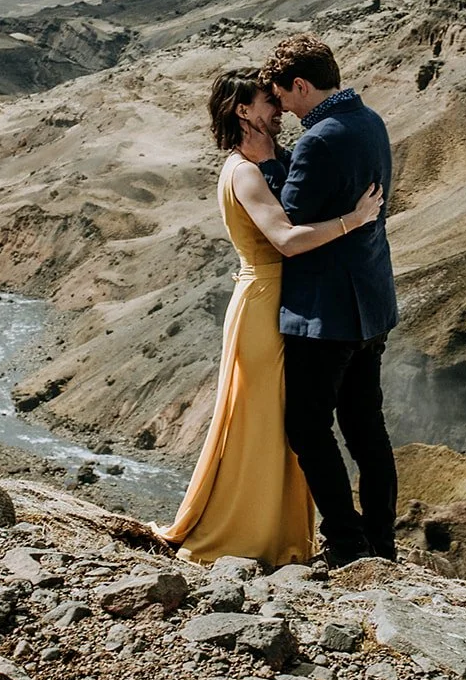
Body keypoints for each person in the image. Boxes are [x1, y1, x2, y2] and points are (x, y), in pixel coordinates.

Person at [154, 68, 382, 566]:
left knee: (284, 425)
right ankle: (242, 534)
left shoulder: (274, 160)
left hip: (289, 303)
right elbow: (284, 240)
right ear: (243, 111)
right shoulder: (243, 172)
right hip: (263, 303)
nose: (278, 108)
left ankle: (282, 534)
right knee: (259, 423)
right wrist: (355, 221)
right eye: (267, 102)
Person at [260, 36, 399, 567]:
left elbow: (290, 219)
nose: (284, 110)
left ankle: (345, 543)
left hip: (325, 312)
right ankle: (381, 545)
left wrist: (266, 167)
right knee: (367, 428)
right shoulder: (372, 121)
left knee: (308, 427)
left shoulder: (318, 140)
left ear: (301, 85)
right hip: (372, 301)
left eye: (285, 97)